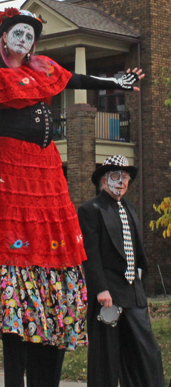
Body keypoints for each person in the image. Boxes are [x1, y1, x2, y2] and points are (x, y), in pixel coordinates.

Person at [0, 8, 144, 387]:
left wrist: (116, 79)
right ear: (4, 37)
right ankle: (17, 356)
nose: (24, 41)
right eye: (17, 34)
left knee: (56, 242)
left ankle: (50, 327)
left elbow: (79, 78)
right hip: (14, 164)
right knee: (19, 240)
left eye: (30, 36)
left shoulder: (43, 69)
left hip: (46, 166)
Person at [77, 155, 165, 387]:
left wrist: (139, 275)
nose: (122, 182)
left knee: (146, 350)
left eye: (125, 177)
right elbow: (90, 253)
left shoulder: (130, 207)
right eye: (116, 176)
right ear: (104, 181)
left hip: (132, 292)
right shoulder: (90, 209)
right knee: (106, 356)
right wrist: (100, 288)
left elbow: (135, 248)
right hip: (108, 294)